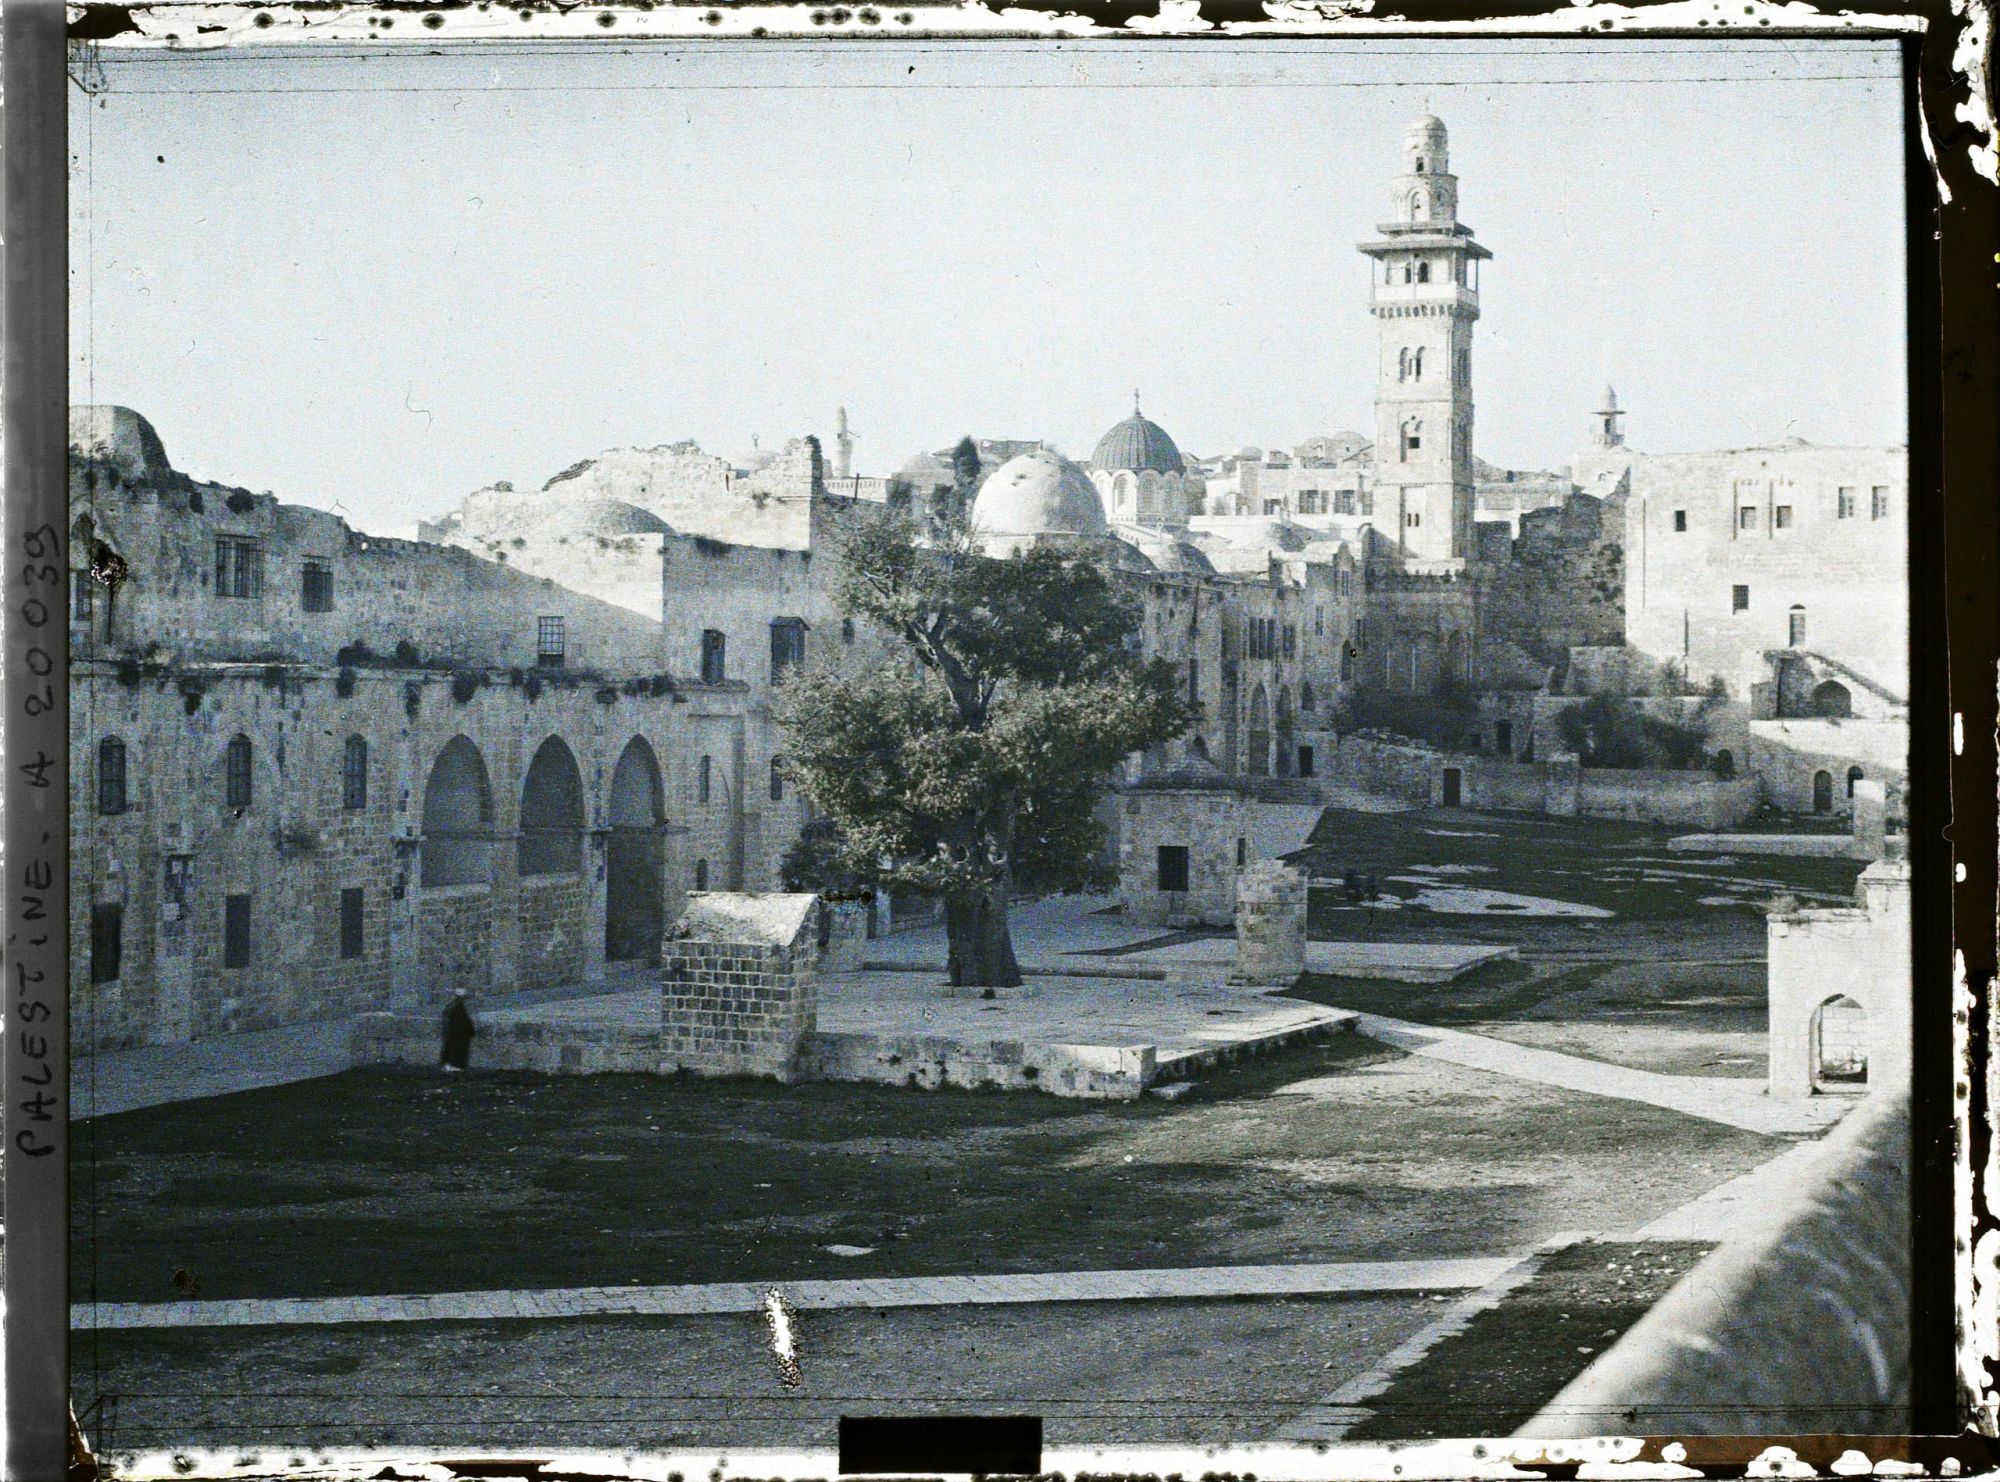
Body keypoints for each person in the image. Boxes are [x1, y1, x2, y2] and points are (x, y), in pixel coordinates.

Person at [439, 987, 475, 1071]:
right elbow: (463, 1021)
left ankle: (449, 1065)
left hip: (452, 1033)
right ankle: (454, 1066)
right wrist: (470, 1030)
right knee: (457, 1050)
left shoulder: (451, 1006)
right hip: (458, 1034)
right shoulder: (458, 1006)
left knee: (450, 1048)